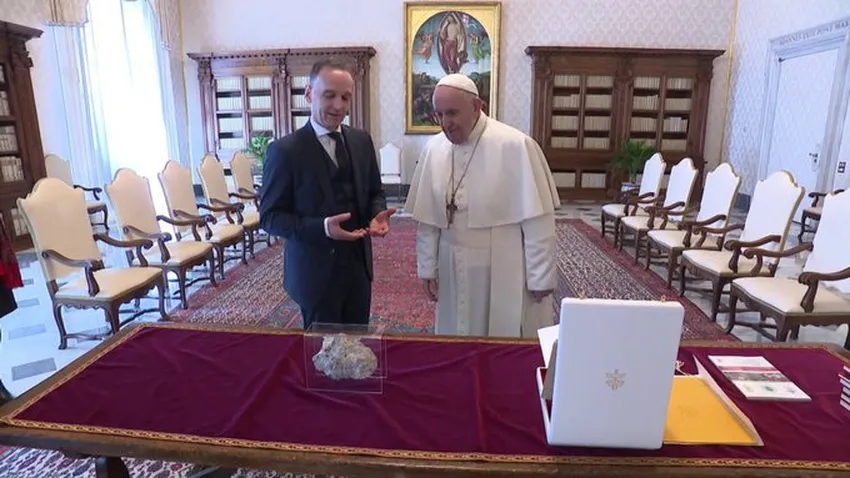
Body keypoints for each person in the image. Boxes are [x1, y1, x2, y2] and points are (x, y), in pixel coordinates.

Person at [404, 73, 560, 338]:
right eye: (439, 114)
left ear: (477, 107)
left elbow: (538, 222)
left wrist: (540, 277)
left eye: (452, 113)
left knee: (501, 337)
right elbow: (428, 222)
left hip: (502, 261)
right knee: (456, 334)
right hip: (451, 262)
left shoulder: (515, 145)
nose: (445, 123)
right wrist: (427, 268)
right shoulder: (434, 148)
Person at [259, 59, 394, 330]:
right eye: (329, 95)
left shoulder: (361, 141)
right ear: (309, 94)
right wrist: (322, 228)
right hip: (314, 274)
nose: (339, 106)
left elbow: (374, 192)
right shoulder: (285, 151)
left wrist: (377, 213)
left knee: (357, 345)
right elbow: (270, 218)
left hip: (358, 269)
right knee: (322, 350)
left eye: (345, 97)